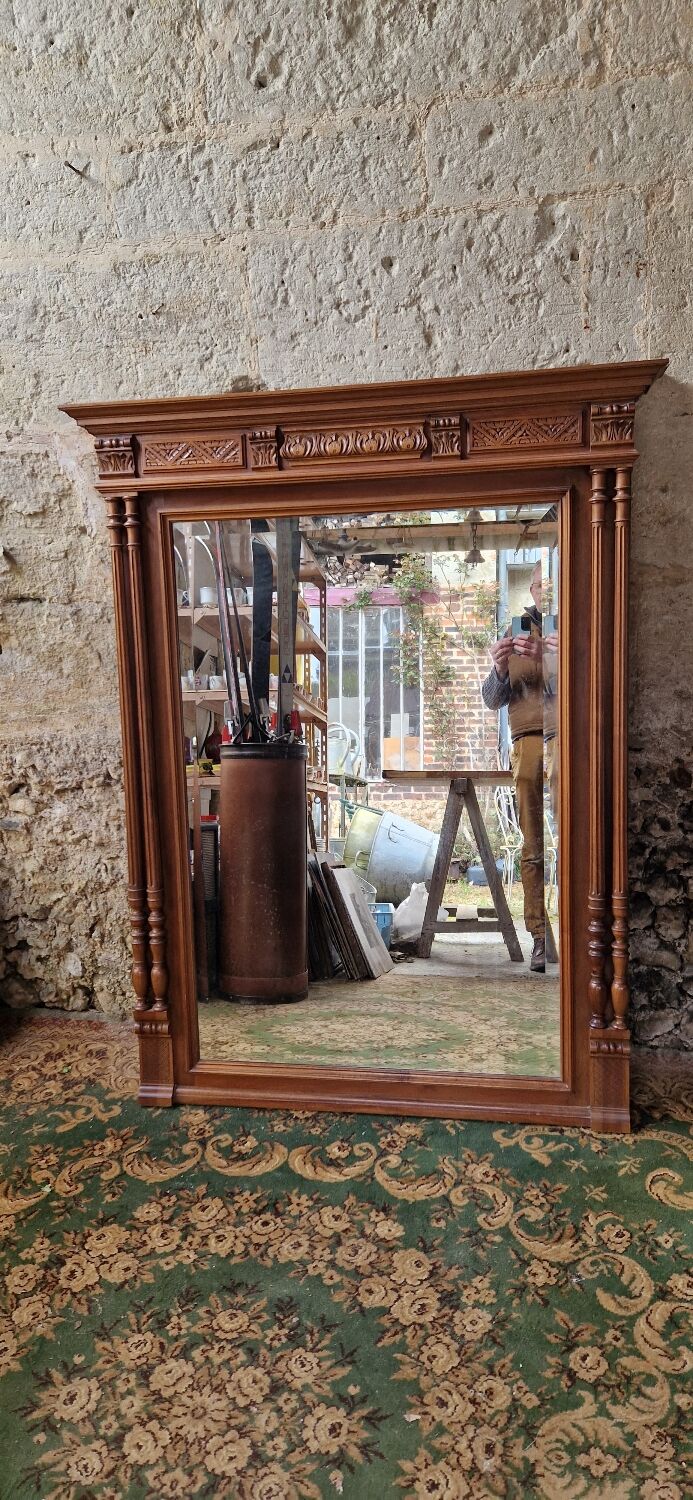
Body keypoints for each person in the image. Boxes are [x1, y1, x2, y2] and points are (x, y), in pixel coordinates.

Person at [481, 561, 557, 972]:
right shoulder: (516, 630)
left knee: (576, 835)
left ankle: (582, 929)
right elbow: (492, 700)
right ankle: (540, 938)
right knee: (532, 844)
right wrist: (497, 669)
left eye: (553, 583)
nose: (546, 590)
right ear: (532, 590)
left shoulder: (575, 624)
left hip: (568, 735)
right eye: (541, 584)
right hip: (527, 737)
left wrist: (556, 658)